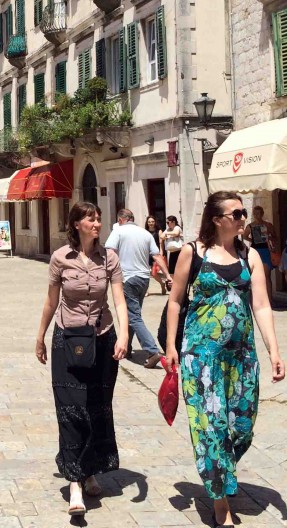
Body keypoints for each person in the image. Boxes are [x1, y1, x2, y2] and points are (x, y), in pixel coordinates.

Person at [165, 191, 285, 527]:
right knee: (212, 428)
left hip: (241, 357)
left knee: (241, 426)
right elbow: (175, 301)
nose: (243, 217)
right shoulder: (193, 253)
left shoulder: (249, 256)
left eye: (243, 212)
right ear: (218, 219)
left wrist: (274, 350)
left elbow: (261, 305)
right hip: (201, 358)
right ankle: (220, 505)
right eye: (237, 213)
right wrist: (172, 346)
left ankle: (221, 474)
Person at [35, 202, 129, 517]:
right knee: (70, 409)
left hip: (102, 339)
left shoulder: (110, 258)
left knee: (97, 408)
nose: (97, 222)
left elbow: (119, 298)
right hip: (68, 339)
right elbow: (51, 301)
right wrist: (39, 337)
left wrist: (126, 335)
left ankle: (89, 470)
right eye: (91, 218)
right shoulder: (60, 258)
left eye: (99, 217)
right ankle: (74, 480)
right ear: (76, 224)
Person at [106, 209, 172, 368]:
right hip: (144, 279)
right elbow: (157, 256)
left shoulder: (118, 231)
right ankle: (127, 349)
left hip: (127, 279)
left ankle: (152, 350)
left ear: (121, 219)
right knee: (133, 314)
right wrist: (168, 276)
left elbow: (109, 253)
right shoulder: (145, 234)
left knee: (133, 316)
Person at [244, 205, 277, 288]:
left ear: (262, 214)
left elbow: (275, 237)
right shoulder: (250, 226)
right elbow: (244, 236)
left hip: (265, 250)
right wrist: (253, 240)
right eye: (254, 214)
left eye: (258, 213)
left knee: (267, 276)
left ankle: (270, 299)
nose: (256, 215)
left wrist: (269, 236)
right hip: (255, 250)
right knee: (255, 277)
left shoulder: (268, 225)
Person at [145, 215, 166, 293]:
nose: (151, 223)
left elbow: (161, 243)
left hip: (156, 254)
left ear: (155, 222)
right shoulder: (145, 231)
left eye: (152, 221)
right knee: (146, 273)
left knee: (154, 273)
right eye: (149, 222)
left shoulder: (159, 231)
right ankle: (146, 290)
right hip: (147, 254)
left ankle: (162, 283)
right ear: (147, 223)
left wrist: (161, 253)